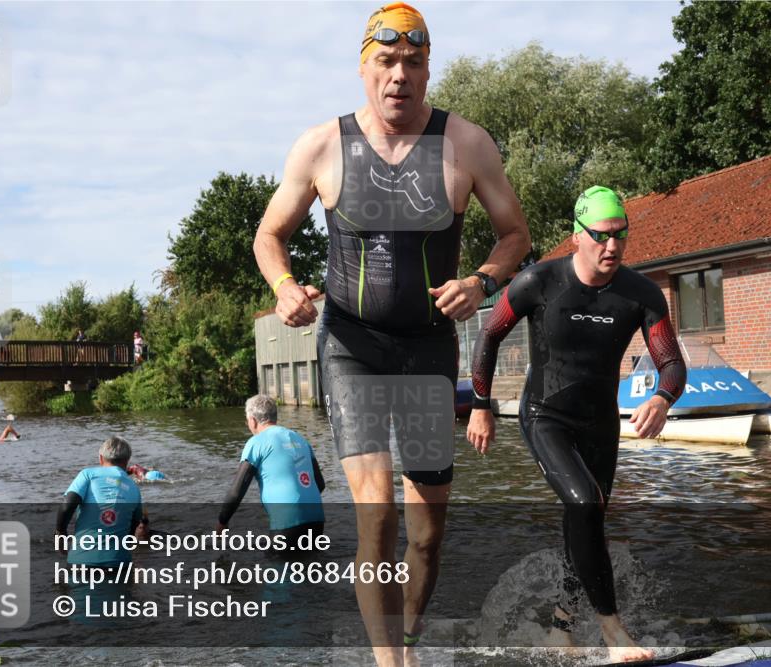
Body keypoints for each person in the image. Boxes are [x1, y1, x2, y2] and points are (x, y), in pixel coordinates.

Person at [252, 4, 531, 663]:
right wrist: (285, 287)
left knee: (428, 534)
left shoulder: (466, 144)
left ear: (428, 69)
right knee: (375, 511)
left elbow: (514, 234)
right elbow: (269, 235)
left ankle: (408, 632)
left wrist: (484, 282)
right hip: (352, 344)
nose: (399, 75)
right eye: (386, 61)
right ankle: (390, 661)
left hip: (429, 348)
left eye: (412, 61)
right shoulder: (322, 145)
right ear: (363, 68)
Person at [466, 185, 687, 663]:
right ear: (576, 237)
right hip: (545, 415)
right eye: (602, 235)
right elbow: (488, 337)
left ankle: (561, 628)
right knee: (586, 502)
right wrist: (481, 405)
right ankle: (613, 633)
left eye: (620, 235)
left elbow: (671, 362)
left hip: (600, 423)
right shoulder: (538, 282)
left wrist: (662, 397)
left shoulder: (641, 294)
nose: (613, 246)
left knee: (586, 518)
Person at [217, 395, 325, 546]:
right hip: (317, 521)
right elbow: (320, 484)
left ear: (253, 421)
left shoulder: (256, 442)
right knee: (311, 566)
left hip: (287, 523)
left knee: (276, 568)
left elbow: (237, 491)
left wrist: (222, 523)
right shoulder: (300, 439)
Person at [56, 436, 146, 568]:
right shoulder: (134, 488)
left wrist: (61, 533)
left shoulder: (88, 475)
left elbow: (67, 505)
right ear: (127, 461)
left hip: (82, 562)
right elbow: (134, 525)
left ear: (101, 458)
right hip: (119, 564)